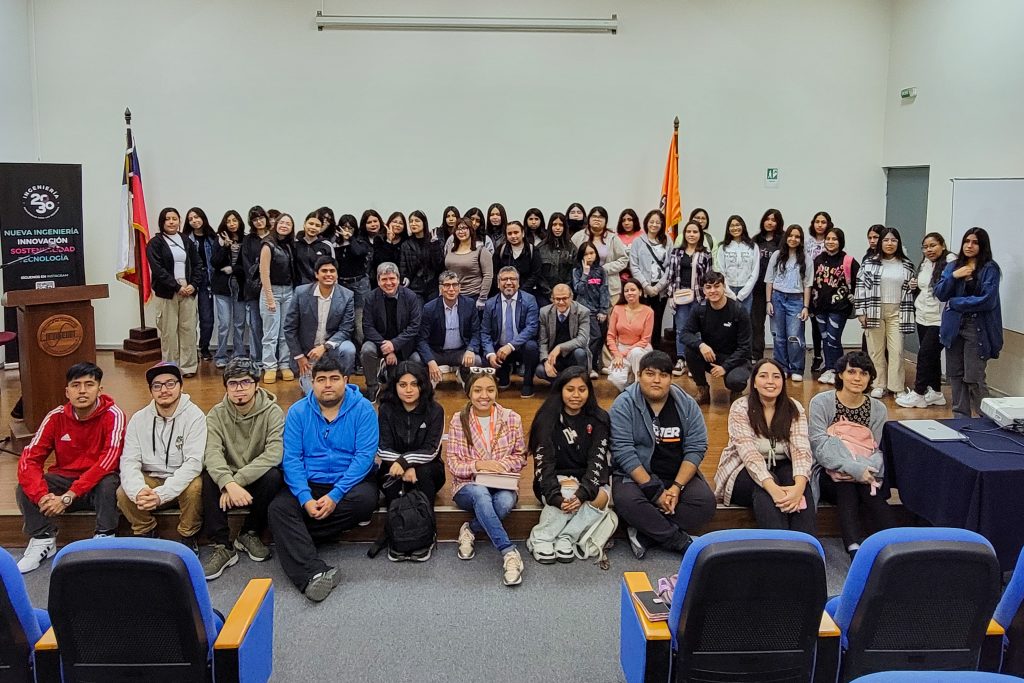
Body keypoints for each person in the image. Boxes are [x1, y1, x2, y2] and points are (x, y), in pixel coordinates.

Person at [268, 355, 379, 601]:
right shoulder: (297, 412)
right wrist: (306, 498)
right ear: (311, 383)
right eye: (321, 380)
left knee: (366, 501)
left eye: (334, 379)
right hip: (310, 482)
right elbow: (292, 459)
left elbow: (364, 457)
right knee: (278, 510)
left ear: (346, 380)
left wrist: (335, 495)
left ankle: (296, 539)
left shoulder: (363, 410)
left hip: (349, 483)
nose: (327, 385)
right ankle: (313, 573)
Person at [14, 362, 126, 573]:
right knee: (26, 484)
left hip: (96, 487)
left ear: (99, 389)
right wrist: (42, 497)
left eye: (89, 384)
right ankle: (43, 538)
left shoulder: (114, 414)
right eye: (76, 385)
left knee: (109, 479)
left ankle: (104, 536)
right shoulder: (55, 417)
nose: (82, 390)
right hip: (65, 482)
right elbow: (29, 459)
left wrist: (69, 496)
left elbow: (107, 461)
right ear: (67, 391)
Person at [609, 350, 717, 559]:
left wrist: (676, 487)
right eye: (650, 374)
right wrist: (654, 491)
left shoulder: (687, 404)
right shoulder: (623, 404)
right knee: (627, 501)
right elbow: (623, 452)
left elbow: (696, 447)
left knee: (705, 503)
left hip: (675, 475)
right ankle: (680, 542)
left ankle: (645, 533)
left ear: (671, 378)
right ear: (639, 376)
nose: (656, 380)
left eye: (663, 375)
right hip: (637, 477)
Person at [201, 357, 284, 580]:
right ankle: (222, 545)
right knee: (208, 475)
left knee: (275, 475)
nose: (239, 389)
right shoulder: (216, 414)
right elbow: (212, 453)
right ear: (226, 387)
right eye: (233, 383)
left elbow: (274, 453)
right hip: (226, 479)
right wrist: (227, 482)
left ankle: (249, 532)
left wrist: (236, 482)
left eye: (245, 382)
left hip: (252, 478)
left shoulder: (272, 412)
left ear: (257, 384)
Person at [809, 351, 895, 558]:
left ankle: (892, 541)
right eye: (852, 372)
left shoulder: (877, 409)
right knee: (846, 483)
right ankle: (856, 546)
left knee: (862, 487)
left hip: (865, 470)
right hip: (829, 472)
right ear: (840, 374)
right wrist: (854, 469)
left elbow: (877, 448)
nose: (857, 378)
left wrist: (864, 471)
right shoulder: (821, 402)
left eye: (864, 373)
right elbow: (819, 446)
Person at [714, 359, 815, 532]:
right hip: (742, 469)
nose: (770, 381)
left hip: (782, 464)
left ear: (783, 382)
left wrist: (798, 487)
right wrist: (774, 489)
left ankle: (807, 549)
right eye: (763, 376)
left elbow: (801, 449)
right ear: (753, 382)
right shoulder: (741, 407)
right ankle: (777, 549)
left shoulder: (794, 407)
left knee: (800, 484)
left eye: (776, 377)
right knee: (765, 489)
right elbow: (748, 454)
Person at [446, 370, 527, 586]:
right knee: (481, 494)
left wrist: (499, 466)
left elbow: (520, 456)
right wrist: (480, 465)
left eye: (490, 390)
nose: (485, 395)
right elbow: (453, 464)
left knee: (505, 502)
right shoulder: (458, 420)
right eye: (478, 390)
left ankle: (470, 529)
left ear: (497, 392)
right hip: (468, 484)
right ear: (469, 393)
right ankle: (509, 552)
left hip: (502, 481)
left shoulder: (512, 418)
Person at [116, 362, 205, 551]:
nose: (164, 390)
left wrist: (161, 495)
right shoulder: (139, 419)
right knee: (123, 492)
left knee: (196, 485)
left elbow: (194, 464)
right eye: (157, 385)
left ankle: (188, 536)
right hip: (152, 480)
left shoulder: (195, 417)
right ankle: (147, 532)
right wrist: (139, 491)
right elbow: (129, 460)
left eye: (170, 383)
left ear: (181, 386)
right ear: (151, 391)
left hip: (182, 480)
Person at [527, 367, 611, 564]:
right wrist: (555, 496)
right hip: (553, 481)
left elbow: (597, 461)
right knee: (567, 491)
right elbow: (544, 464)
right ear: (560, 390)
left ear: (589, 392)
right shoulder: (546, 418)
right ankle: (541, 538)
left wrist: (583, 492)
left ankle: (567, 537)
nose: (576, 395)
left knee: (601, 497)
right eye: (570, 389)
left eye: (582, 390)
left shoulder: (599, 419)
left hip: (586, 481)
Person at [375, 361, 445, 561]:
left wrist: (406, 462)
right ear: (394, 386)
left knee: (424, 473)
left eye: (414, 384)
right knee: (391, 476)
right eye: (402, 385)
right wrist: (401, 466)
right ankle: (397, 535)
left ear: (423, 385)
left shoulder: (435, 410)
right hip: (393, 467)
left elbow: (431, 450)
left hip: (427, 469)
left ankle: (425, 534)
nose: (408, 390)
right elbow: (382, 447)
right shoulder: (386, 409)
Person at [934, 227, 1003, 418]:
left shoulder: (990, 268)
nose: (969, 246)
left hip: (976, 328)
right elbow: (940, 293)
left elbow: (988, 300)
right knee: (955, 376)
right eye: (967, 241)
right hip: (954, 327)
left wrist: (956, 303)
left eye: (975, 242)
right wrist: (954, 276)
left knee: (973, 378)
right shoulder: (953, 266)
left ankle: (989, 421)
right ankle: (961, 421)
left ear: (982, 246)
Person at [854, 226, 916, 398]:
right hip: (874, 311)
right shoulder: (869, 263)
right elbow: (859, 288)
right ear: (880, 242)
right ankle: (879, 384)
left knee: (896, 350)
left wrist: (913, 286)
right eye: (886, 240)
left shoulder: (907, 264)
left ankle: (897, 387)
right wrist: (861, 312)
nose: (889, 243)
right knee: (876, 350)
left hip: (898, 312)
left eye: (893, 240)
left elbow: (911, 287)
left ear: (898, 243)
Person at [897, 232, 954, 408]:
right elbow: (924, 287)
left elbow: (947, 289)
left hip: (940, 318)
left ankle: (919, 392)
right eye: (925, 247)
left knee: (924, 355)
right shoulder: (925, 263)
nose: (929, 250)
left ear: (942, 245)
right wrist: (914, 286)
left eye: (933, 245)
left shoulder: (951, 263)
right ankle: (936, 392)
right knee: (932, 355)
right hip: (923, 315)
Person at [284, 256, 358, 394]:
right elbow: (289, 328)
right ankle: (305, 380)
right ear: (316, 274)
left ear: (337, 274)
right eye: (324, 271)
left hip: (332, 350)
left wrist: (325, 346)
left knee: (349, 349)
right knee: (315, 395)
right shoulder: (301, 293)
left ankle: (343, 382)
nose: (328, 274)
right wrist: (299, 356)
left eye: (332, 271)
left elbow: (346, 329)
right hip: (307, 356)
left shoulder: (347, 295)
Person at [680, 270, 753, 404]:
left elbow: (745, 347)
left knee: (736, 380)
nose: (713, 291)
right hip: (712, 355)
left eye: (717, 286)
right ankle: (703, 389)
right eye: (708, 287)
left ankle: (736, 391)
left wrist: (725, 367)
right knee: (690, 350)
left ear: (724, 287)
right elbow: (684, 334)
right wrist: (701, 345)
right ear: (704, 290)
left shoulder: (739, 311)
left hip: (737, 359)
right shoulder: (699, 309)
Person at [147, 207, 201, 377]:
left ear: (179, 221)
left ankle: (188, 367)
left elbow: (198, 265)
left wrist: (193, 285)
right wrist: (176, 287)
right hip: (167, 291)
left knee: (189, 330)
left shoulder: (186, 241)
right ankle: (170, 367)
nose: (171, 222)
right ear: (162, 222)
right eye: (167, 219)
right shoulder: (155, 243)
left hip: (188, 289)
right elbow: (158, 269)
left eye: (174, 219)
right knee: (169, 332)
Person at [361, 262, 423, 400]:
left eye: (392, 279)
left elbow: (414, 326)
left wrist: (394, 345)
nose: (388, 283)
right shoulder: (371, 298)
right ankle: (372, 386)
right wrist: (387, 348)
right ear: (378, 281)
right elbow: (367, 326)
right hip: (379, 344)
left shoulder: (411, 296)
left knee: (416, 360)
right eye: (384, 279)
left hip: (404, 345)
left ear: (399, 279)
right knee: (366, 349)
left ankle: (411, 389)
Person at [481, 266, 540, 397]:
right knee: (485, 351)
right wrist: (490, 353)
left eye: (512, 279)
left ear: (518, 283)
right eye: (504, 279)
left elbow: (532, 328)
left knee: (532, 347)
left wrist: (510, 346)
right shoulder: (490, 303)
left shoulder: (529, 300)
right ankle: (502, 374)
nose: (508, 282)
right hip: (499, 348)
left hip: (520, 347)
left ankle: (528, 383)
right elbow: (485, 332)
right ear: (498, 283)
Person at [417, 271, 483, 387]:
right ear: (440, 288)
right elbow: (422, 339)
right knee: (416, 359)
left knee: (476, 360)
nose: (451, 289)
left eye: (455, 285)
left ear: (459, 287)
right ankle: (429, 379)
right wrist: (430, 361)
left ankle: (463, 373)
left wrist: (471, 349)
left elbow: (476, 332)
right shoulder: (429, 308)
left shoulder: (469, 304)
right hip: (436, 351)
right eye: (447, 285)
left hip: (460, 351)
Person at [765, 224, 814, 381]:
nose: (793, 239)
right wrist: (768, 301)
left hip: (796, 300)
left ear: (801, 240)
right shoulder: (777, 255)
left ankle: (796, 368)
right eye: (790, 236)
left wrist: (805, 306)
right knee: (778, 336)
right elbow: (769, 280)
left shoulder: (806, 259)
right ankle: (781, 367)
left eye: (797, 236)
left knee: (794, 336)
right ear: (786, 238)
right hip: (777, 298)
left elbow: (808, 284)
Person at [810, 227, 859, 385]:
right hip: (820, 308)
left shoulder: (848, 261)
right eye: (828, 239)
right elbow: (811, 283)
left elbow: (859, 281)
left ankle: (837, 370)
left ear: (840, 242)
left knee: (833, 338)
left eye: (834, 239)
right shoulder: (818, 259)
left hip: (839, 308)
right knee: (825, 339)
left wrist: (854, 297)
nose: (830, 242)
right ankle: (829, 367)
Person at [667, 220, 713, 377]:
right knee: (681, 330)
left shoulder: (706, 254)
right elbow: (671, 276)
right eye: (689, 232)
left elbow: (709, 277)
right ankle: (681, 359)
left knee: (698, 331)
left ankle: (695, 361)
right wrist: (670, 296)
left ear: (700, 234)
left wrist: (708, 296)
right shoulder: (676, 253)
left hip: (699, 297)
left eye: (695, 232)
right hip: (680, 298)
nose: (691, 235)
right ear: (684, 234)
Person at [258, 212, 298, 384]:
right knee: (270, 333)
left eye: (288, 224)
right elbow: (264, 273)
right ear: (275, 224)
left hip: (288, 291)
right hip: (271, 291)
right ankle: (269, 366)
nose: (284, 225)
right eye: (282, 222)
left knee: (285, 332)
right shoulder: (268, 244)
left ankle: (284, 365)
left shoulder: (289, 245)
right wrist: (269, 298)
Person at [629, 209, 672, 348]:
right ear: (646, 223)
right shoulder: (638, 242)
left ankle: (656, 351)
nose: (654, 225)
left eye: (658, 222)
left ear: (662, 224)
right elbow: (634, 266)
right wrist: (646, 286)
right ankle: (641, 350)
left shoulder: (667, 240)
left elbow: (671, 266)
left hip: (661, 289)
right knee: (642, 320)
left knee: (657, 320)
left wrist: (658, 287)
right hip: (643, 288)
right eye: (651, 221)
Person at [571, 206, 630, 305]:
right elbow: (572, 258)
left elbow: (623, 259)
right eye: (594, 216)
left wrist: (603, 269)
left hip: (609, 287)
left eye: (601, 217)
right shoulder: (578, 237)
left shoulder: (613, 238)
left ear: (605, 221)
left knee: (608, 318)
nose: (597, 219)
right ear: (588, 219)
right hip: (584, 287)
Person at [211, 210, 246, 369]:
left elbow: (248, 265)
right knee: (224, 323)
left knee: (239, 323)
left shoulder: (246, 239)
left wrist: (234, 269)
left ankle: (239, 354)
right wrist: (225, 246)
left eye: (234, 220)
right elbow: (215, 263)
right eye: (229, 221)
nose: (232, 223)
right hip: (222, 287)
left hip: (240, 287)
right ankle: (221, 355)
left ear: (239, 222)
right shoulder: (219, 239)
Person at [535, 284, 591, 382]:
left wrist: (560, 348)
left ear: (571, 297)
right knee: (540, 370)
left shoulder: (583, 312)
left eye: (564, 298)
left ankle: (579, 382)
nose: (561, 302)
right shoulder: (544, 312)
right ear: (552, 299)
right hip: (554, 357)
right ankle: (561, 383)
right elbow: (542, 341)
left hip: (573, 354)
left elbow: (582, 339)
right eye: (557, 299)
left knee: (580, 353)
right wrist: (545, 361)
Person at [606, 279, 654, 392]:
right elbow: (610, 336)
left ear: (640, 292)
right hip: (621, 348)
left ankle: (640, 389)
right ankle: (629, 390)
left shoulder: (648, 311)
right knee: (616, 379)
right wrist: (617, 354)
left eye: (633, 290)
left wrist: (623, 354)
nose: (629, 293)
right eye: (626, 291)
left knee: (635, 352)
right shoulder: (617, 309)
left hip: (642, 348)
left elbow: (645, 340)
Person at [333, 213, 371, 353]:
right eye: (344, 227)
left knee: (359, 322)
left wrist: (350, 238)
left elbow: (358, 253)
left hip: (359, 284)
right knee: (344, 320)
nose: (347, 230)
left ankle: (362, 357)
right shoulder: (335, 244)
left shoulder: (360, 242)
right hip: (342, 284)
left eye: (350, 227)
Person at [572, 241, 610, 378]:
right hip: (582, 310)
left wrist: (604, 310)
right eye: (586, 254)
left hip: (598, 311)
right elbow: (578, 290)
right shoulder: (577, 271)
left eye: (591, 253)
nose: (589, 256)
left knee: (600, 338)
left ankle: (595, 365)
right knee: (594, 336)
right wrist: (585, 273)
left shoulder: (601, 271)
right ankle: (590, 367)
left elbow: (604, 291)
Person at [184, 207, 216, 362]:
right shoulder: (185, 238)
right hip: (190, 281)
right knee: (188, 319)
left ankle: (204, 348)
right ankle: (189, 351)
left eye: (197, 217)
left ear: (203, 218)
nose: (194, 221)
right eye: (191, 218)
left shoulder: (212, 237)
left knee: (207, 318)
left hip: (207, 281)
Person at [752, 209, 784, 362]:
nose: (770, 222)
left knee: (778, 328)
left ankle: (780, 359)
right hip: (757, 289)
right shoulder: (755, 240)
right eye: (767, 219)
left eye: (773, 219)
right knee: (756, 325)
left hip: (778, 289)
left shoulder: (783, 241)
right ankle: (756, 356)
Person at [444, 217, 494, 309]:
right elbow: (446, 272)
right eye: (458, 228)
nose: (461, 231)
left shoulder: (481, 251)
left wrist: (482, 298)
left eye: (464, 228)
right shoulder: (450, 249)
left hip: (472, 297)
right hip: (452, 295)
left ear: (471, 230)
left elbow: (488, 276)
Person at [240, 205, 269, 357]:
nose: (259, 222)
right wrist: (256, 282)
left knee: (272, 327)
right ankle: (257, 358)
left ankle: (272, 358)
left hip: (273, 288)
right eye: (255, 220)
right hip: (254, 289)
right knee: (256, 325)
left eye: (261, 218)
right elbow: (246, 264)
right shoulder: (248, 239)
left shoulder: (274, 237)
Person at [806, 211, 833, 372]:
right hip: (812, 288)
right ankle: (817, 356)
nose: (820, 225)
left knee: (829, 326)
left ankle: (830, 358)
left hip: (828, 288)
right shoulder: (807, 243)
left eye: (823, 222)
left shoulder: (831, 240)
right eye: (817, 221)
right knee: (816, 324)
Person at [494, 220, 545, 305]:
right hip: (505, 294)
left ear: (523, 233)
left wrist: (521, 292)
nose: (513, 236)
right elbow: (495, 272)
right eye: (509, 233)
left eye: (516, 232)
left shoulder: (532, 250)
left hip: (527, 294)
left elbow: (535, 274)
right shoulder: (501, 250)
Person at [399, 210, 443, 303]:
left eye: (417, 221)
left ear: (424, 223)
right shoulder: (406, 244)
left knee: (432, 315)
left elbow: (439, 265)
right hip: (415, 287)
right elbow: (403, 267)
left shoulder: (433, 240)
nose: (413, 224)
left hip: (432, 286)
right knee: (417, 315)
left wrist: (434, 245)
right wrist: (404, 278)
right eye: (411, 221)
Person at [537, 212, 575, 302]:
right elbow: (538, 275)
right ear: (550, 226)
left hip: (566, 296)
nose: (557, 228)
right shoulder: (540, 248)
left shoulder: (572, 248)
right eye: (554, 225)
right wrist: (550, 294)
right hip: (545, 296)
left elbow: (573, 273)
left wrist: (563, 293)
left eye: (561, 225)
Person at [293, 211, 332, 285]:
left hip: (320, 288)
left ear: (321, 228)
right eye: (311, 224)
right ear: (304, 224)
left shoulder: (327, 245)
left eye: (317, 225)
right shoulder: (295, 243)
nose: (313, 227)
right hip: (298, 288)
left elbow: (332, 269)